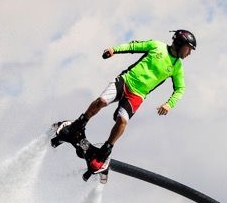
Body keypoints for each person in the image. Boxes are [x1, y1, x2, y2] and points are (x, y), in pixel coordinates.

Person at [55, 29, 196, 172]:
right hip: (125, 81)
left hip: (137, 95)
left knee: (122, 121)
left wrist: (169, 104)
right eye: (189, 49)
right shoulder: (156, 46)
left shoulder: (177, 67)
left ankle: (105, 151)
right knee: (102, 101)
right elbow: (132, 46)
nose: (189, 53)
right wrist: (113, 50)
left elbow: (180, 89)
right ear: (179, 44)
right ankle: (78, 125)